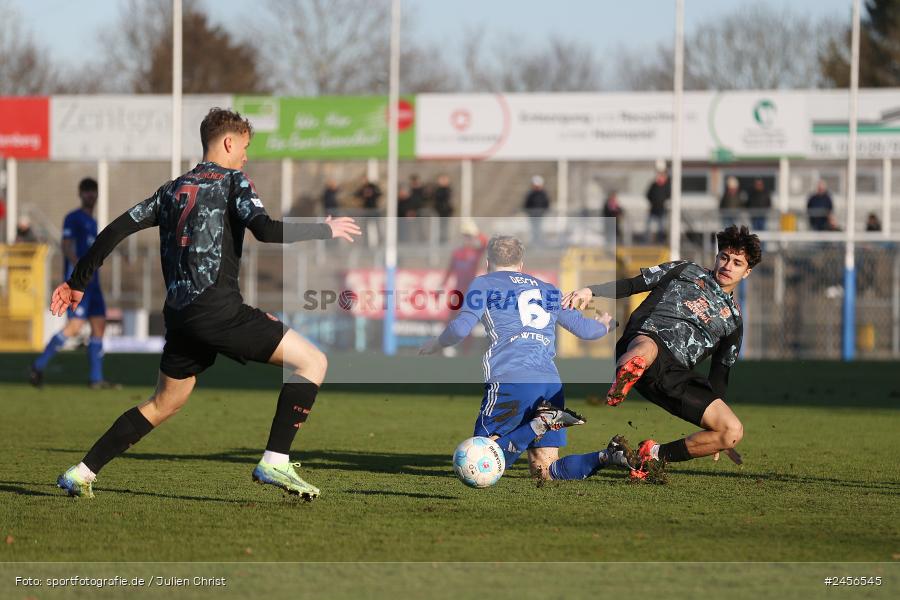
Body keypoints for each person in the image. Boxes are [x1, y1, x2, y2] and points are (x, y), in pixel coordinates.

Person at [52, 108, 361, 500]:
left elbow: (115, 229)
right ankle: (275, 460)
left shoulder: (172, 189)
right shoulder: (233, 181)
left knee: (165, 402)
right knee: (313, 362)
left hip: (180, 318)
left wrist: (77, 281)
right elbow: (264, 230)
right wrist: (324, 228)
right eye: (245, 147)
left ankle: (82, 471)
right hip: (219, 312)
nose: (246, 156)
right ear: (229, 142)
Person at [419, 236, 636, 481]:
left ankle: (538, 424)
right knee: (544, 470)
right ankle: (608, 456)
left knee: (483, 453)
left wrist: (437, 343)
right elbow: (586, 331)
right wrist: (605, 326)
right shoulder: (548, 290)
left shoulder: (484, 283)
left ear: (488, 262)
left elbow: (459, 329)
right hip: (549, 383)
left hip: (511, 378)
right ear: (521, 264)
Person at [562, 225, 761, 479]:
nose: (727, 265)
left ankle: (651, 455)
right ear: (717, 256)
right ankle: (627, 372)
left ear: (747, 272)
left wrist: (719, 434)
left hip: (674, 376)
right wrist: (592, 291)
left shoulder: (733, 320)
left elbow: (720, 372)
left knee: (732, 431)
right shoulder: (685, 270)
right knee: (646, 350)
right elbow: (634, 284)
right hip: (646, 340)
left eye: (737, 262)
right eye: (724, 257)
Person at [30, 178, 115, 389]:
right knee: (75, 327)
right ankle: (37, 366)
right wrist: (79, 267)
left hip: (93, 284)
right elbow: (66, 245)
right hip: (79, 283)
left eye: (93, 191)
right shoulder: (73, 218)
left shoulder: (93, 222)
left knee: (99, 326)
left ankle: (96, 379)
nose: (90, 195)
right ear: (80, 194)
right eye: (86, 191)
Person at [523, 175, 550, 244]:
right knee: (533, 230)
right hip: (532, 216)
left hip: (541, 216)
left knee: (540, 230)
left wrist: (543, 211)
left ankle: (540, 242)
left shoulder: (543, 194)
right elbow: (526, 204)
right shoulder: (530, 194)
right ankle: (534, 242)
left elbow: (546, 204)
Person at [645, 170, 670, 244]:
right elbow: (648, 194)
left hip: (661, 209)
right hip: (653, 209)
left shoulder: (667, 186)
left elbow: (669, 196)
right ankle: (647, 240)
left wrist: (663, 202)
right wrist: (652, 202)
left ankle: (661, 241)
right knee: (648, 226)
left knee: (661, 227)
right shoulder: (654, 185)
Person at [433, 174, 453, 243]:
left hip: (445, 211)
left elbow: (445, 197)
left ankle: (444, 240)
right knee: (439, 227)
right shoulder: (437, 189)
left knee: (444, 227)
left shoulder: (447, 189)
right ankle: (440, 240)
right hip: (439, 211)